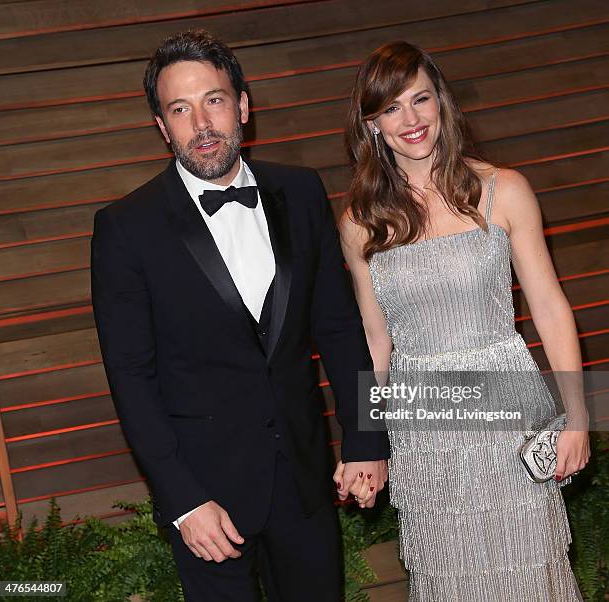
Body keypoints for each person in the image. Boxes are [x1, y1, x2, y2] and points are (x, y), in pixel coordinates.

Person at [91, 29, 389, 602]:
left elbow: (339, 328)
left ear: (244, 106)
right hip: (207, 499)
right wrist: (181, 501)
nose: (201, 123)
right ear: (162, 126)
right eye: (180, 109)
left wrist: (365, 440)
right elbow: (131, 378)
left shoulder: (301, 192)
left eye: (215, 100)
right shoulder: (127, 227)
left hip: (304, 480)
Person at [334, 41, 590, 600]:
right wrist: (362, 443)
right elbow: (375, 343)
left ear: (441, 104)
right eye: (392, 107)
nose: (411, 119)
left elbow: (548, 306)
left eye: (420, 99)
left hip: (507, 414)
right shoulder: (360, 222)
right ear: (372, 123)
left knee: (528, 573)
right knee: (447, 580)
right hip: (423, 432)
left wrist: (576, 418)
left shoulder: (504, 190)